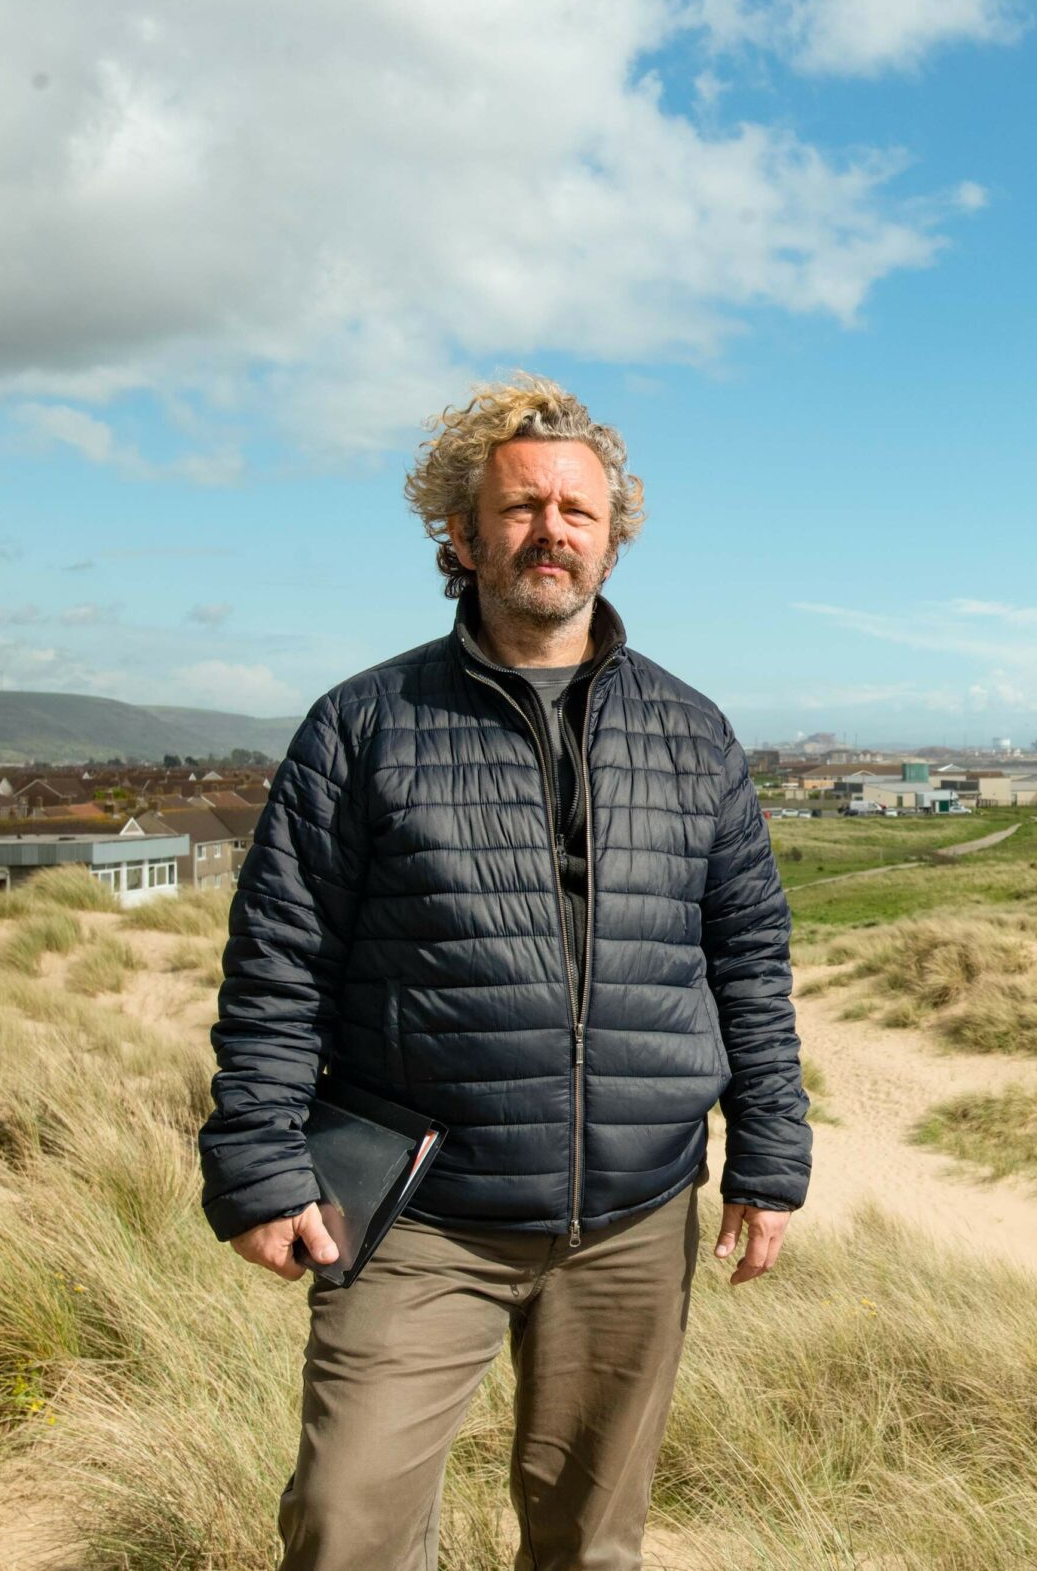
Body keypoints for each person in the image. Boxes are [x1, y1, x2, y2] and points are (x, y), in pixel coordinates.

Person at [196, 374, 811, 1571]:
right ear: (462, 535)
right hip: (420, 1211)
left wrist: (771, 1157)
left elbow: (747, 958)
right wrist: (258, 1160)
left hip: (633, 1216)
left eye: (579, 511)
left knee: (590, 1545)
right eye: (522, 506)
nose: (551, 531)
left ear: (612, 540)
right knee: (344, 1525)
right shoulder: (362, 725)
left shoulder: (692, 732)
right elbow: (280, 960)